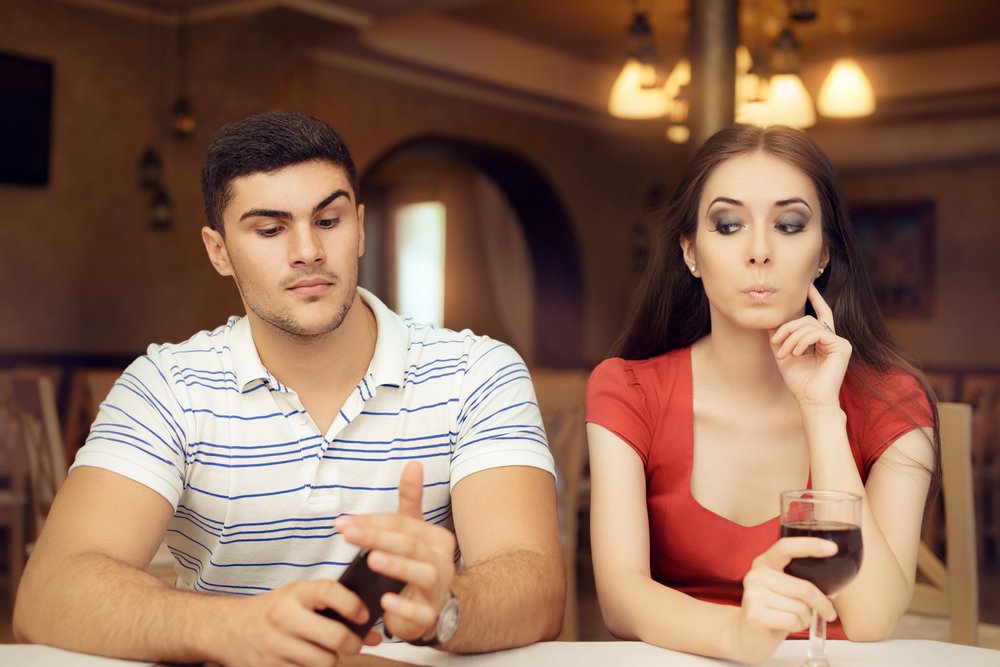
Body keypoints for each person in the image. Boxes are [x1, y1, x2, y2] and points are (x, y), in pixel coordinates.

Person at [14, 110, 564, 665]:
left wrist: (446, 606)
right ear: (219, 251)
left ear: (361, 228)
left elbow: (536, 584)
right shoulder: (167, 387)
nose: (308, 251)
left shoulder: (478, 371)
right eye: (270, 230)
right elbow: (49, 591)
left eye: (328, 220)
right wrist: (237, 629)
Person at [585, 124, 938, 663]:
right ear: (690, 253)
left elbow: (870, 619)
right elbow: (620, 599)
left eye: (789, 224)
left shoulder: (893, 402)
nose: (759, 252)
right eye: (728, 225)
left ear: (823, 254)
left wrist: (821, 412)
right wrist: (738, 635)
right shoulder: (628, 391)